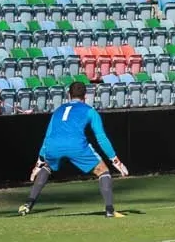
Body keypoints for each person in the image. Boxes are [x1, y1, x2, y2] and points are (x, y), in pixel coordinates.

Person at [19, 82, 130, 218]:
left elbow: (48, 136)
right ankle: (109, 210)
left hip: (54, 146)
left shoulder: (58, 110)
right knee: (103, 171)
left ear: (68, 95)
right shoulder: (90, 111)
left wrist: (39, 162)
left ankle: (28, 204)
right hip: (75, 145)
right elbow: (101, 138)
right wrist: (115, 160)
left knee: (47, 167)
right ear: (86, 96)